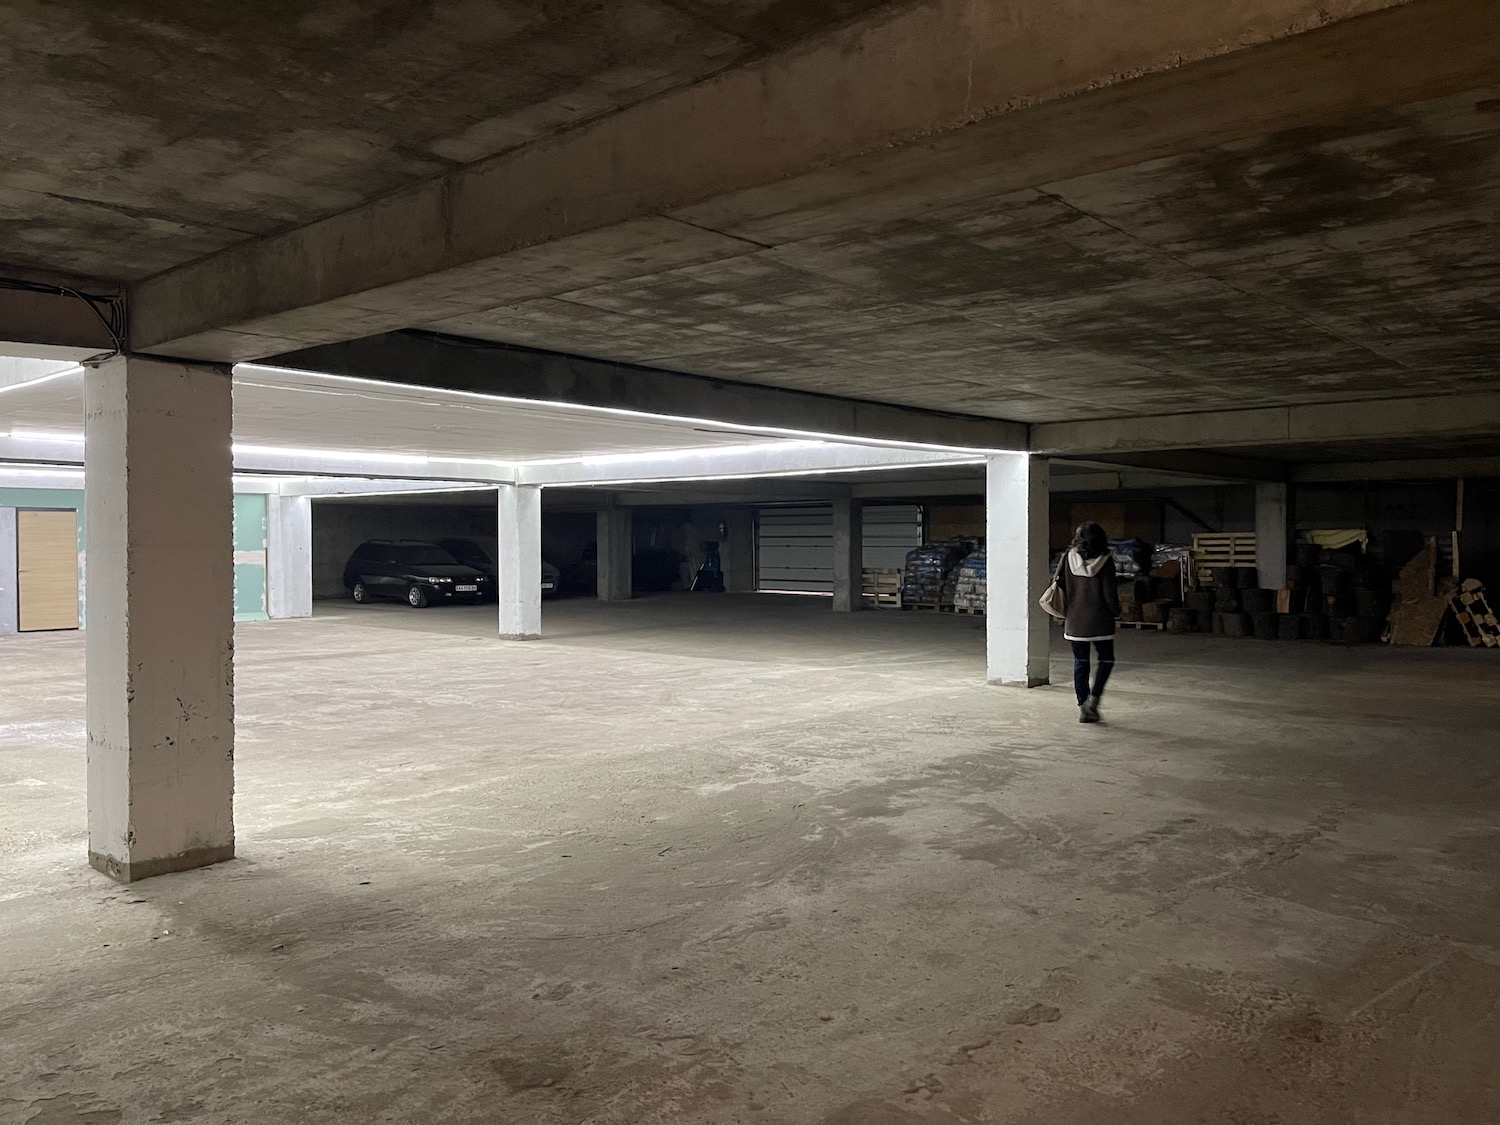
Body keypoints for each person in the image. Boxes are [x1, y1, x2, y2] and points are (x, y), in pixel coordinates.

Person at [1059, 521, 1120, 723]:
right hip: (1100, 620)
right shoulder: (1106, 561)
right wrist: (1116, 613)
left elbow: (1059, 584)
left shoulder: (1068, 558)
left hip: (1075, 620)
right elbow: (1110, 593)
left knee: (1080, 663)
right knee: (1106, 659)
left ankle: (1083, 704)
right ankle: (1094, 699)